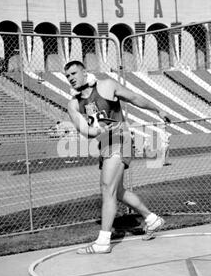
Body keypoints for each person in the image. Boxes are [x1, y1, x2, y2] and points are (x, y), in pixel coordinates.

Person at [65, 60, 171, 254]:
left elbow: (134, 98)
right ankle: (152, 219)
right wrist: (97, 129)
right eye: (68, 76)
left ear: (84, 72)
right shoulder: (73, 104)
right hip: (105, 143)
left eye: (74, 73)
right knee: (118, 191)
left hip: (120, 139)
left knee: (107, 188)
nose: (71, 78)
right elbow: (83, 129)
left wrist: (158, 109)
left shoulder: (106, 85)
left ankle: (103, 242)